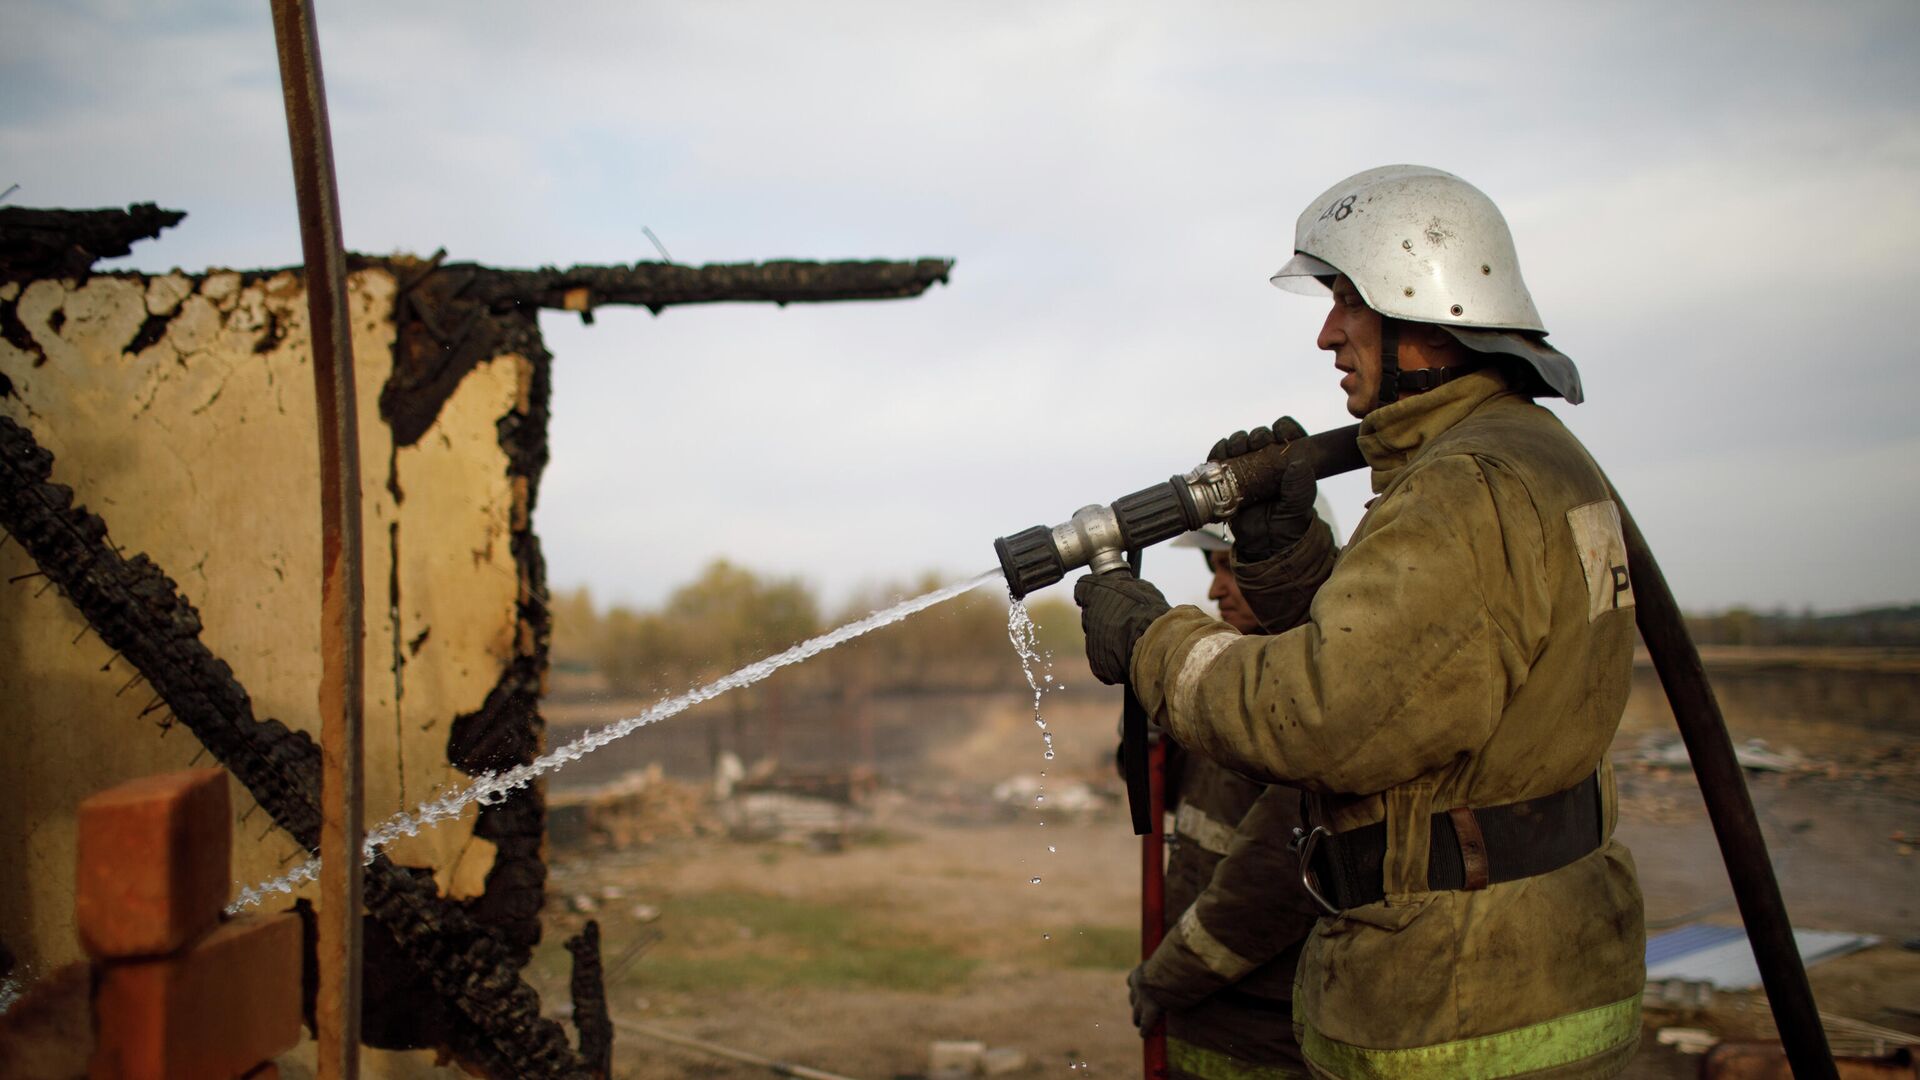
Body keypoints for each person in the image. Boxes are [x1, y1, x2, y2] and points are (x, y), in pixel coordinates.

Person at [1075, 165, 1645, 1078]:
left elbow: (1320, 723)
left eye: (1348, 300)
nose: (1327, 333)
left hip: (1458, 1009)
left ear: (1424, 310)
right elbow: (1425, 678)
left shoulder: (1465, 488)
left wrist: (1148, 638)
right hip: (1532, 974)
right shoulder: (1529, 458)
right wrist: (1289, 562)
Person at [1133, 525, 1326, 1080]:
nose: (1217, 590)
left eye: (1233, 567)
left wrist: (1164, 976)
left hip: (1270, 1023)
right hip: (1207, 1015)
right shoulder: (1235, 686)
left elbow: (1270, 881)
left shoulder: (1307, 701)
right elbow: (1179, 803)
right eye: (1214, 570)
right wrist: (1151, 724)